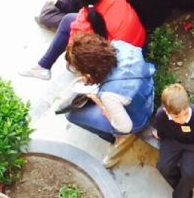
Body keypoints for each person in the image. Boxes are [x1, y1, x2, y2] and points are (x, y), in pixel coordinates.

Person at [20, 0, 145, 80]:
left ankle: (44, 66)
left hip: (125, 58)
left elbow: (73, 51)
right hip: (139, 39)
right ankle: (44, 65)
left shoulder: (83, 21)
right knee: (69, 18)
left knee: (67, 21)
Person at [63, 32, 155, 169]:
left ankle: (112, 139)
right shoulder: (120, 45)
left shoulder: (109, 94)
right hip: (147, 91)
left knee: (71, 115)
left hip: (137, 118)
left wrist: (97, 99)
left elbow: (125, 127)